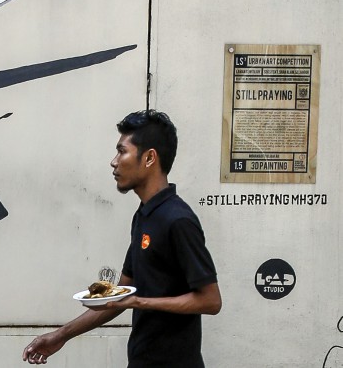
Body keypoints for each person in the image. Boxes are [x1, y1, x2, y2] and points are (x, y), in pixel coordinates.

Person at [23, 110, 221, 367]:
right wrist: (61, 336)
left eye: (122, 151)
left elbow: (210, 300)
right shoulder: (144, 215)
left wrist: (139, 301)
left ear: (149, 158)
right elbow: (119, 297)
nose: (114, 162)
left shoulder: (177, 219)